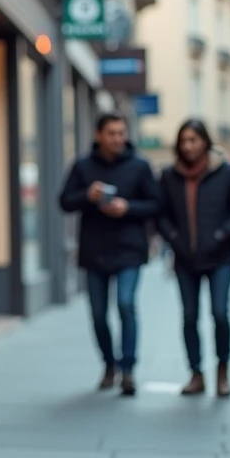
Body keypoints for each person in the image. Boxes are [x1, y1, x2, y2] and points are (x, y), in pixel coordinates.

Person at [59, 112, 161, 396]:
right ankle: (109, 364)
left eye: (121, 133)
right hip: (94, 250)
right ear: (98, 135)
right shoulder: (82, 166)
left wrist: (128, 207)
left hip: (129, 248)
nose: (117, 138)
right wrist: (87, 196)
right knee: (98, 314)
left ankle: (128, 369)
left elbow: (155, 204)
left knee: (126, 305)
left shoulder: (140, 166)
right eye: (111, 133)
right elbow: (64, 201)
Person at [157, 120, 230, 398]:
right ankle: (196, 373)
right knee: (189, 317)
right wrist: (173, 237)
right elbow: (160, 213)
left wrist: (223, 233)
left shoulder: (226, 173)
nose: (188, 146)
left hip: (219, 256)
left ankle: (223, 370)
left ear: (205, 142)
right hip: (185, 258)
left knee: (220, 314)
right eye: (184, 140)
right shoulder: (170, 175)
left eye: (193, 140)